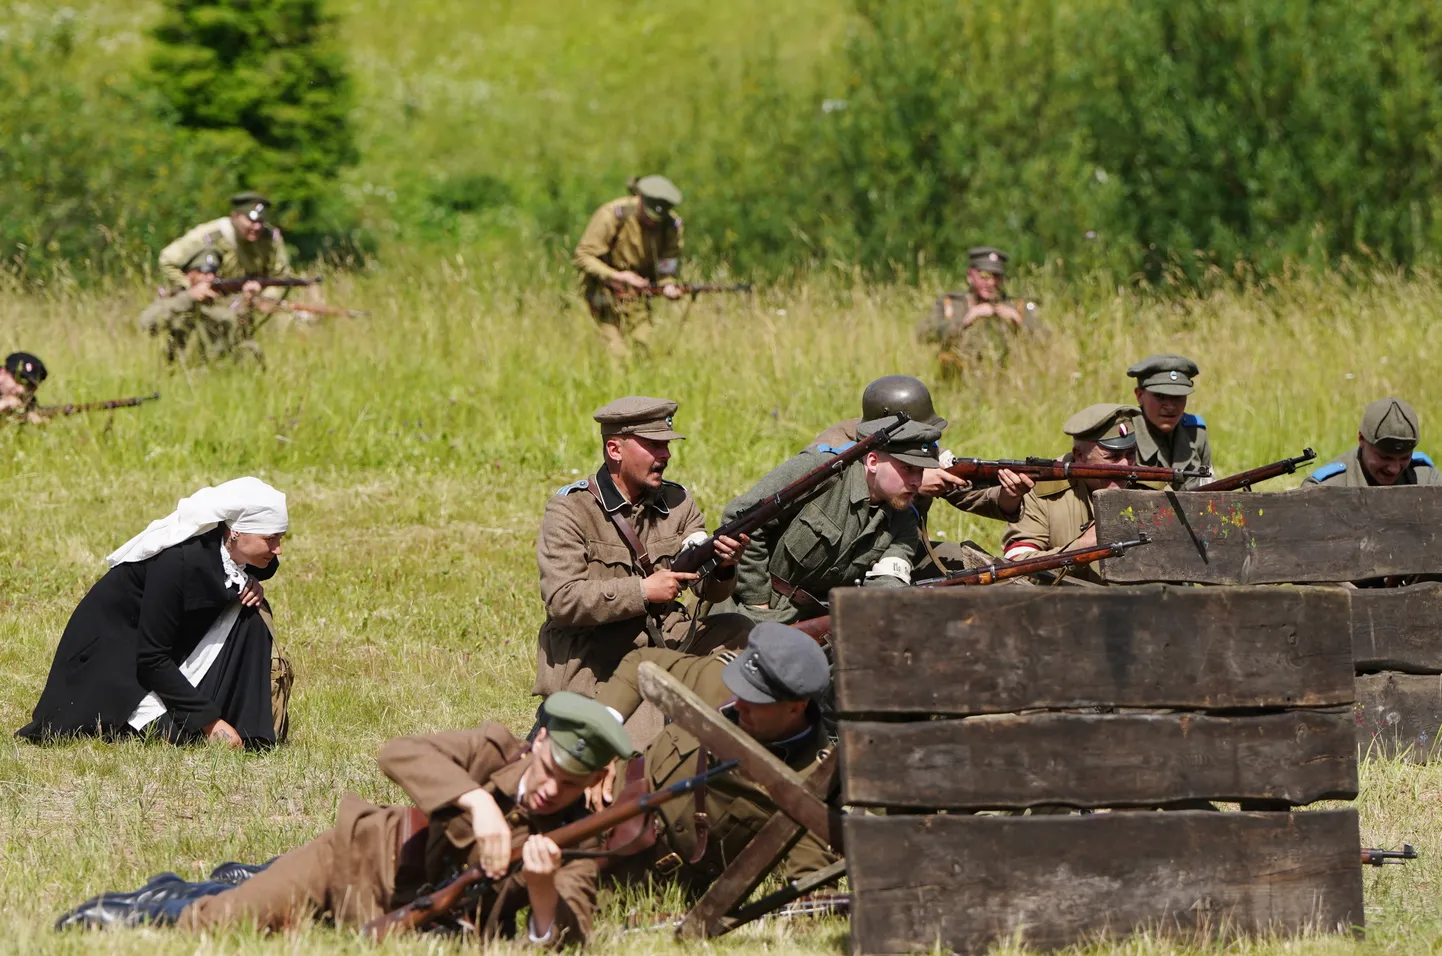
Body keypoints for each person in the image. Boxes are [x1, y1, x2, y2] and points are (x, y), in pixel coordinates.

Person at [55, 693, 632, 945]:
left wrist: (542, 892)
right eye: (552, 768)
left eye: (574, 783)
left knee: (279, 924)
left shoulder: (580, 833)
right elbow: (398, 752)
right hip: (356, 857)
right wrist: (478, 802)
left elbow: (564, 937)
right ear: (539, 746)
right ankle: (154, 906)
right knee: (224, 924)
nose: (555, 789)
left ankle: (199, 887)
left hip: (404, 913)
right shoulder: (494, 751)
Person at [534, 397, 754, 740]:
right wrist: (641, 592)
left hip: (665, 642)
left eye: (665, 445)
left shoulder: (679, 502)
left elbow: (705, 589)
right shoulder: (570, 509)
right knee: (643, 744)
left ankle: (723, 724)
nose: (665, 455)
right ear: (614, 449)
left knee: (741, 633)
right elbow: (562, 600)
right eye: (653, 445)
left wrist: (723, 567)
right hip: (597, 661)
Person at [17, 477, 289, 748]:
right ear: (236, 533)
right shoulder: (177, 562)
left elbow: (256, 569)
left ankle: (247, 726)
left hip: (162, 651)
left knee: (250, 616)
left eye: (280, 537)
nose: (278, 549)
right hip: (114, 667)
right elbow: (151, 658)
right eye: (270, 538)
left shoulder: (236, 553)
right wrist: (210, 723)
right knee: (180, 734)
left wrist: (247, 580)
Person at [591, 623, 834, 891]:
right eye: (740, 688)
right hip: (598, 797)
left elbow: (811, 879)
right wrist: (599, 740)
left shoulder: (813, 779)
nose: (739, 703)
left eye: (755, 699)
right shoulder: (715, 676)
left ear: (795, 708)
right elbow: (640, 664)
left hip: (646, 882)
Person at [711, 416, 939, 625]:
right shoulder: (821, 473)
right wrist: (757, 601)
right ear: (872, 461)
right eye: (907, 469)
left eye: (921, 472)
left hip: (821, 623)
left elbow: (887, 582)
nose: (916, 482)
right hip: (747, 612)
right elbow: (740, 518)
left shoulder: (905, 521)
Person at [1001, 403, 1138, 583]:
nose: (1125, 466)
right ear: (1079, 455)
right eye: (1112, 457)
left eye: (1130, 454)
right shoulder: (1042, 491)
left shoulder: (1152, 487)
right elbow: (1014, 567)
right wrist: (1081, 548)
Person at [571, 176, 685, 360]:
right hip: (602, 293)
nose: (652, 223)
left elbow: (666, 268)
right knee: (618, 356)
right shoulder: (612, 215)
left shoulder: (671, 227)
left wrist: (668, 286)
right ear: (640, 200)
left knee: (650, 349)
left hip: (635, 296)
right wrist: (618, 276)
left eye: (657, 219)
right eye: (648, 216)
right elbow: (583, 255)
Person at [139, 249, 265, 364]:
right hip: (183, 374)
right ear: (188, 275)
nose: (210, 277)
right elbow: (145, 323)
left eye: (213, 272)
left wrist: (246, 301)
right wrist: (189, 298)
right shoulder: (175, 299)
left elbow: (241, 335)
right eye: (203, 271)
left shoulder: (222, 301)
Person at [158, 192, 293, 298]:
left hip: (246, 304)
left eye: (261, 221)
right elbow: (167, 260)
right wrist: (190, 287)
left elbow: (281, 275)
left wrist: (266, 297)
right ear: (234, 216)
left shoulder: (270, 238)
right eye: (251, 221)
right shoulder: (210, 235)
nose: (257, 227)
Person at [917, 247, 1028, 372]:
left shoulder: (1016, 306)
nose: (991, 282)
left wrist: (1019, 323)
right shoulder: (952, 304)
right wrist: (966, 321)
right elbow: (924, 334)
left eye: (996, 276)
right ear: (970, 275)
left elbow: (1044, 342)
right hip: (957, 379)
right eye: (984, 275)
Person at [1304, 397, 1441, 487]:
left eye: (1405, 457)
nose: (1394, 469)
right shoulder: (1326, 487)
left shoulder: (1427, 480)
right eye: (1384, 457)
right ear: (1361, 439)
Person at [1124, 354, 1212, 488]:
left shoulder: (1196, 434)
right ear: (1139, 395)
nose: (1170, 407)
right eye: (1160, 396)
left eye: (1178, 397)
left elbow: (1209, 491)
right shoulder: (1125, 436)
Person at [0, 351, 50, 424]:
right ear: (2, 372)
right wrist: (3, 404)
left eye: (29, 385)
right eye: (18, 380)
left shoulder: (28, 400)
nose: (22, 390)